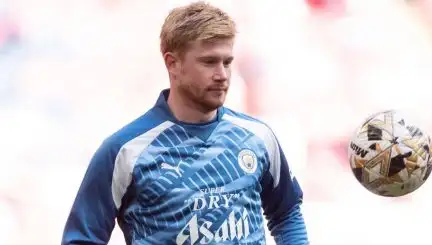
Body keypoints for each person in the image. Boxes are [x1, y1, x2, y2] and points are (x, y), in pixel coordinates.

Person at [61, 2, 309, 244]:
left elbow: (286, 213)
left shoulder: (257, 137)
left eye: (227, 62)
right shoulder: (125, 152)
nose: (222, 74)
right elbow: (82, 239)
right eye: (209, 62)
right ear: (172, 63)